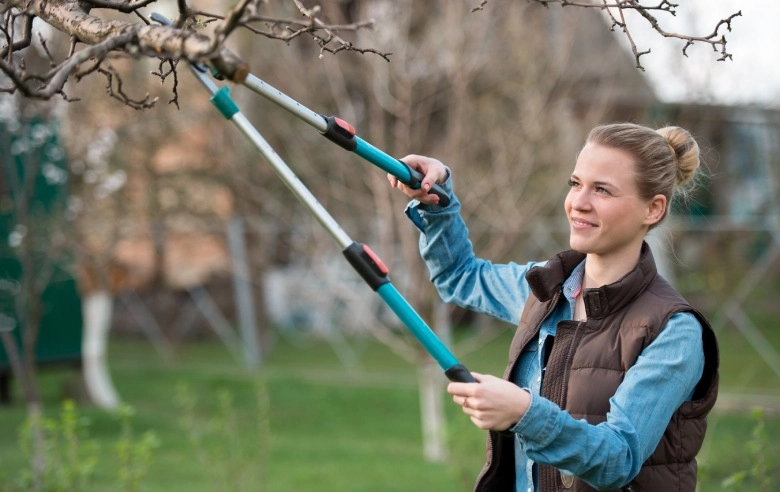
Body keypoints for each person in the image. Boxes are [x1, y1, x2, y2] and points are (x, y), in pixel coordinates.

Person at [388, 123, 719, 492]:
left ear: (653, 209)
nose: (579, 202)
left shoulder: (675, 331)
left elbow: (618, 459)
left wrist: (523, 412)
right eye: (575, 184)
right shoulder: (544, 287)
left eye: (603, 190)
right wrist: (438, 196)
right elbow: (459, 276)